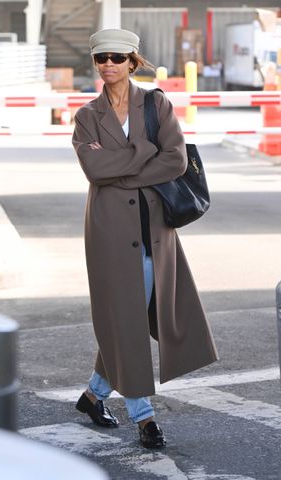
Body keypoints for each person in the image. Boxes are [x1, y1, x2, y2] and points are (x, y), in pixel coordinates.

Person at [72, 28, 218, 449]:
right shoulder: (86, 116)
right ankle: (144, 417)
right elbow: (94, 170)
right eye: (101, 58)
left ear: (133, 61)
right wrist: (143, 153)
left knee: (127, 320)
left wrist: (120, 164)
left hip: (155, 233)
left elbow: (174, 159)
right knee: (125, 317)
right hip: (107, 234)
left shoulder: (156, 103)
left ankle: (93, 396)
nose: (109, 65)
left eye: (117, 57)